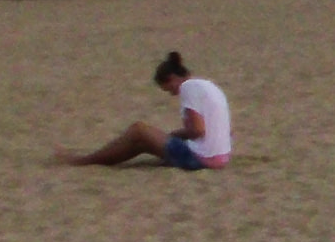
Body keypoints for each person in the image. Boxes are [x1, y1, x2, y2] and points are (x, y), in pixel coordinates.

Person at [63, 51, 232, 170]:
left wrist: (175, 135)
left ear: (172, 79)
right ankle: (101, 160)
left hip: (202, 158)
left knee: (138, 129)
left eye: (169, 89)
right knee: (142, 142)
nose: (172, 94)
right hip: (221, 157)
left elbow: (198, 130)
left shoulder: (189, 88)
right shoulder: (208, 85)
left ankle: (86, 161)